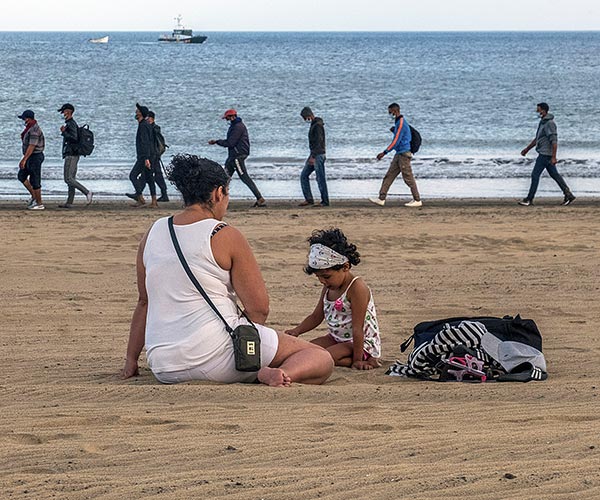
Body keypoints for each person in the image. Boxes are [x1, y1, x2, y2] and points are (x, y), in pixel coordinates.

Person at [121, 154, 333, 387]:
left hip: (164, 365)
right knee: (320, 358)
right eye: (227, 194)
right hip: (216, 356)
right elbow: (259, 308)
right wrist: (244, 345)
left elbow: (144, 302)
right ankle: (273, 372)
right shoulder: (223, 234)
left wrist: (131, 359)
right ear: (217, 193)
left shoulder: (152, 233)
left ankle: (256, 368)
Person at [285, 228, 381, 370]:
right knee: (305, 351)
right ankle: (346, 358)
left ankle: (368, 359)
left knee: (323, 357)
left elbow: (357, 329)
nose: (322, 281)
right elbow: (316, 316)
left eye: (326, 276)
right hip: (335, 338)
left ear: (345, 267)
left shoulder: (356, 288)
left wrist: (357, 361)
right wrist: (297, 331)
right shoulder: (330, 287)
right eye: (318, 277)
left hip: (359, 343)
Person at [519, 102, 575, 206]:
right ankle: (569, 195)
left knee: (535, 175)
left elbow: (554, 141)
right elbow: (537, 139)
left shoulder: (550, 123)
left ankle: (529, 199)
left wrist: (554, 157)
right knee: (555, 175)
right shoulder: (542, 123)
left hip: (545, 155)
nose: (537, 111)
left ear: (543, 110)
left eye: (538, 109)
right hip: (545, 154)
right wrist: (527, 149)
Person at [208, 109, 266, 207]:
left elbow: (230, 143)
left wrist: (217, 142)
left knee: (244, 177)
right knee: (224, 179)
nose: (227, 120)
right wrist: (218, 142)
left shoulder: (238, 127)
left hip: (237, 156)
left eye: (227, 118)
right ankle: (218, 200)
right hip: (233, 156)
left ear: (232, 117)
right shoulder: (235, 126)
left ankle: (259, 198)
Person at [369, 103, 422, 207]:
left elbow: (396, 141)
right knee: (389, 176)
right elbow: (400, 136)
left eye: (390, 111)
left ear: (395, 110)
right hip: (399, 154)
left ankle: (417, 200)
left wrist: (384, 152)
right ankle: (381, 198)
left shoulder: (401, 122)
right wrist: (394, 130)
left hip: (404, 154)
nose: (389, 113)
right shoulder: (398, 122)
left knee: (408, 178)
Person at [57, 103, 93, 209]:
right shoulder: (70, 123)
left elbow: (74, 138)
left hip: (72, 154)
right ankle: (69, 202)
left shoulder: (71, 123)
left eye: (63, 111)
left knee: (68, 179)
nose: (62, 113)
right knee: (71, 179)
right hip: (73, 154)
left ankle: (87, 192)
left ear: (69, 111)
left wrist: (64, 132)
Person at [126, 103, 158, 208]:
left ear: (141, 114)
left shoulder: (144, 126)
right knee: (149, 178)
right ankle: (153, 201)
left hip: (145, 156)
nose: (136, 112)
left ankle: (140, 197)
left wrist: (146, 158)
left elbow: (145, 143)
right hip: (148, 156)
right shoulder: (145, 125)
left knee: (133, 175)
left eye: (138, 111)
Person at [299, 107, 329, 207]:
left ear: (309, 115)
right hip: (315, 154)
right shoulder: (315, 124)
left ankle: (325, 201)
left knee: (320, 178)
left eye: (305, 117)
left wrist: (314, 156)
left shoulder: (317, 126)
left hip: (318, 154)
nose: (305, 120)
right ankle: (309, 199)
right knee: (304, 175)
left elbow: (319, 142)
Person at [18, 109, 46, 210]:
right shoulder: (29, 128)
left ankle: (39, 203)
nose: (23, 121)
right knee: (21, 176)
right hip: (30, 156)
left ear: (29, 119)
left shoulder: (34, 130)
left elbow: (32, 146)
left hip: (35, 156)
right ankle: (34, 196)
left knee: (35, 180)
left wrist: (24, 159)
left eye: (24, 119)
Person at [147, 111, 169, 202]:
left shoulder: (155, 128)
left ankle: (164, 194)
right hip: (154, 155)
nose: (146, 119)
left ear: (151, 118)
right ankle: (164, 194)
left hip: (154, 155)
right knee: (156, 175)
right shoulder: (154, 128)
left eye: (147, 118)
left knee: (155, 175)